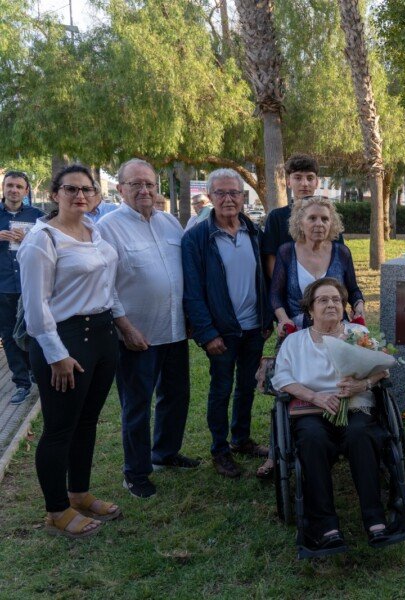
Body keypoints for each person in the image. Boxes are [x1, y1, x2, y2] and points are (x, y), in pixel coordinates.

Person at [18, 164, 125, 538]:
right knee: (59, 428)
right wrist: (56, 355)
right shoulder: (42, 240)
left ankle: (78, 493)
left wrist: (121, 326)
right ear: (55, 194)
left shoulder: (95, 232)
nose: (80, 195)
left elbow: (108, 286)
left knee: (87, 421)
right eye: (71, 189)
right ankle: (56, 510)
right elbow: (36, 306)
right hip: (65, 339)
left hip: (102, 334)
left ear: (96, 194)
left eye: (87, 189)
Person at [98, 159, 198, 500]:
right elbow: (105, 285)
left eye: (150, 184)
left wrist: (188, 316)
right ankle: (136, 472)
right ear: (120, 189)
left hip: (174, 329)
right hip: (136, 335)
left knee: (176, 396)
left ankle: (165, 453)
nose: (144, 190)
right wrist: (124, 327)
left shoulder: (169, 222)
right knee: (137, 405)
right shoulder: (108, 227)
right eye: (136, 184)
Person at [269, 277, 390, 553]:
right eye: (323, 300)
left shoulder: (358, 334)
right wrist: (315, 396)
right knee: (312, 439)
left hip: (355, 405)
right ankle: (326, 526)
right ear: (310, 309)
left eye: (336, 299)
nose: (331, 304)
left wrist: (362, 384)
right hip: (312, 409)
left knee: (361, 434)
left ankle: (375, 519)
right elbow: (282, 378)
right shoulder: (295, 342)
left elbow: (382, 369)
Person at [182, 168, 273, 478]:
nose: (228, 199)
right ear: (210, 196)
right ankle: (220, 450)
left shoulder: (254, 232)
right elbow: (192, 292)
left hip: (254, 328)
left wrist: (266, 319)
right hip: (221, 333)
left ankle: (241, 439)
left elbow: (265, 279)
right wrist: (207, 334)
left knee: (247, 386)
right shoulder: (196, 238)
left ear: (242, 196)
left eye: (234, 192)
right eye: (220, 193)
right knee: (221, 390)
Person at [270, 196, 364, 335]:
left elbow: (353, 290)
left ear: (331, 224)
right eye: (312, 218)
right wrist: (283, 319)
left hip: (336, 331)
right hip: (297, 331)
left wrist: (359, 307)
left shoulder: (342, 253)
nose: (319, 224)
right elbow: (275, 294)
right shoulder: (286, 252)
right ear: (300, 223)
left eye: (325, 219)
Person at [261, 154, 343, 278]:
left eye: (310, 178)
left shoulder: (329, 215)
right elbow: (270, 258)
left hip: (325, 285)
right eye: (298, 178)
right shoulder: (276, 217)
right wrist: (281, 285)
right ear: (288, 181)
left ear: (317, 182)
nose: (304, 183)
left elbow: (339, 255)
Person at [0, 170, 44, 404]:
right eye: (10, 185)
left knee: (34, 330)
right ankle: (21, 382)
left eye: (19, 186)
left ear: (26, 190)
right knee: (8, 335)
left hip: (31, 284)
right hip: (4, 286)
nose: (14, 190)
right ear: (3, 188)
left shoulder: (38, 217)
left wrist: (29, 239)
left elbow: (50, 244)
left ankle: (36, 371)